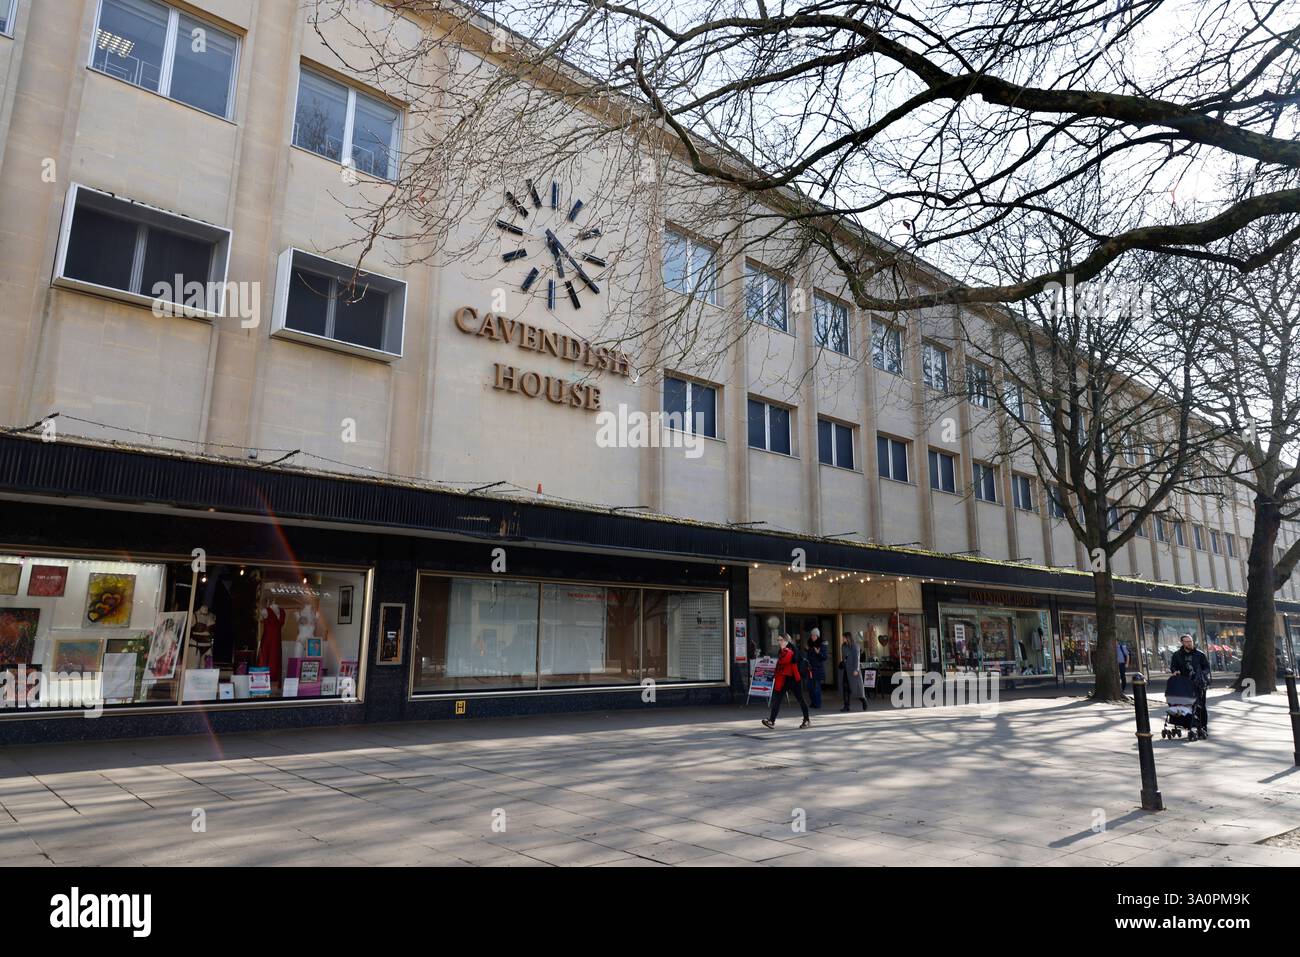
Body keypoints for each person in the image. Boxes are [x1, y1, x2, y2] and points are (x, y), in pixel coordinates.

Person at [762, 634, 810, 729]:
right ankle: (771, 721)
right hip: (784, 678)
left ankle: (807, 719)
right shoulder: (782, 650)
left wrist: (785, 653)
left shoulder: (792, 650)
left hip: (794, 679)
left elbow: (787, 661)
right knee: (777, 699)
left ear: (787, 640)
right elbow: (780, 664)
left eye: (781, 640)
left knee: (800, 699)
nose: (779, 642)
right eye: (778, 640)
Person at [1170, 633, 1211, 738]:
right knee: (1185, 705)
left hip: (1199, 684)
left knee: (1201, 706)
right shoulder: (1177, 655)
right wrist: (1175, 671)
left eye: (1191, 641)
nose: (1190, 643)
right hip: (1183, 684)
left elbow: (1207, 668)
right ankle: (1189, 725)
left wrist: (1201, 674)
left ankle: (1203, 726)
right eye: (1187, 642)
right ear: (1182, 643)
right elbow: (1173, 666)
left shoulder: (1200, 654)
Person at [839, 631, 868, 711]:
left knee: (856, 688)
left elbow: (857, 659)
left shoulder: (855, 646)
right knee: (845, 688)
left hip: (853, 670)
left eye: (844, 637)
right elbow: (844, 657)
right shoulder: (843, 646)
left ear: (848, 638)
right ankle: (846, 706)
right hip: (846, 670)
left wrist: (856, 669)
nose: (842, 639)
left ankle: (863, 699)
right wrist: (843, 663)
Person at [806, 628, 828, 709]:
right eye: (812, 635)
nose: (812, 637)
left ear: (817, 636)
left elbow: (825, 657)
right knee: (810, 687)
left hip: (817, 669)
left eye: (814, 635)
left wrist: (819, 653)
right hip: (810, 668)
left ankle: (817, 703)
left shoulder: (822, 644)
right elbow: (809, 656)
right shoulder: (810, 644)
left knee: (816, 687)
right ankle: (813, 702)